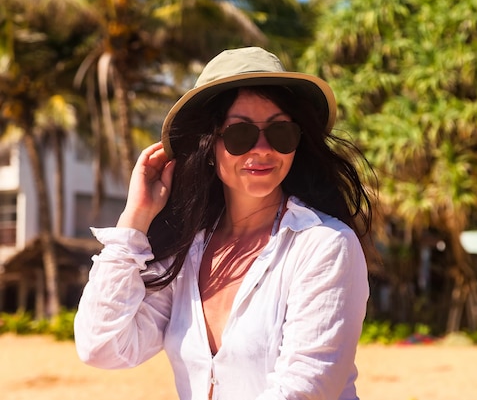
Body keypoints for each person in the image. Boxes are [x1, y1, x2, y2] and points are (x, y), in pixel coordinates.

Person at [74, 46, 375, 400]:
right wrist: (135, 219)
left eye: (281, 132)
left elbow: (304, 389)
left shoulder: (325, 244)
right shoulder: (189, 253)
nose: (262, 149)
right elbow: (102, 346)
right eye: (240, 134)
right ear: (208, 143)